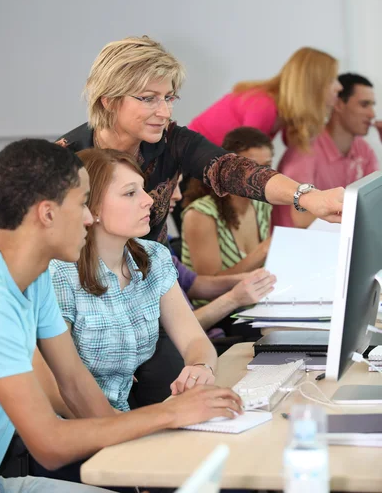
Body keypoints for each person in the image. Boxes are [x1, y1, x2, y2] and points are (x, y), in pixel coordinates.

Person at [0, 139, 242, 493]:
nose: (89, 218)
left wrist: (142, 451)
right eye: (81, 205)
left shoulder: (33, 275)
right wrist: (170, 415)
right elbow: (50, 444)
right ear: (47, 214)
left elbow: (74, 383)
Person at [56, 36, 344, 246]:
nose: (164, 111)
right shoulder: (64, 159)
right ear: (108, 101)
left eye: (169, 98)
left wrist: (310, 197)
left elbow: (237, 171)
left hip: (153, 283)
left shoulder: (174, 140)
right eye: (148, 99)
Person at [49, 147, 217, 414]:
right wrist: (135, 427)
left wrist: (199, 368)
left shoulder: (154, 257)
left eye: (142, 189)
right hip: (78, 428)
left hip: (124, 419)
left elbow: (196, 342)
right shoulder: (59, 273)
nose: (148, 200)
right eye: (130, 193)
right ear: (90, 207)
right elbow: (58, 392)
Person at [168, 175, 276, 336]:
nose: (178, 195)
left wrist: (252, 279)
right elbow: (178, 330)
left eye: (266, 165)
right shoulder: (200, 213)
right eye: (130, 193)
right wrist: (234, 297)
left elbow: (194, 284)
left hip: (213, 332)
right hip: (215, 329)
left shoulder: (156, 250)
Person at [273, 73, 379, 229]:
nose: (372, 114)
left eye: (372, 105)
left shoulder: (364, 150)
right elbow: (300, 218)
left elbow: (376, 202)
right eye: (364, 105)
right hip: (297, 244)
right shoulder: (306, 148)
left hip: (337, 242)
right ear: (338, 104)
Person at [188, 46, 342, 149]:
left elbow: (294, 145)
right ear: (312, 86)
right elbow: (248, 162)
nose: (339, 87)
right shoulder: (264, 107)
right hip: (190, 164)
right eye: (331, 80)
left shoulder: (282, 110)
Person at [181, 127, 273, 276]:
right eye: (252, 167)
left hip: (256, 296)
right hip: (218, 299)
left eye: (267, 167)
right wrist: (264, 250)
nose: (262, 176)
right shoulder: (200, 214)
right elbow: (208, 285)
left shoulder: (262, 204)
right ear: (228, 169)